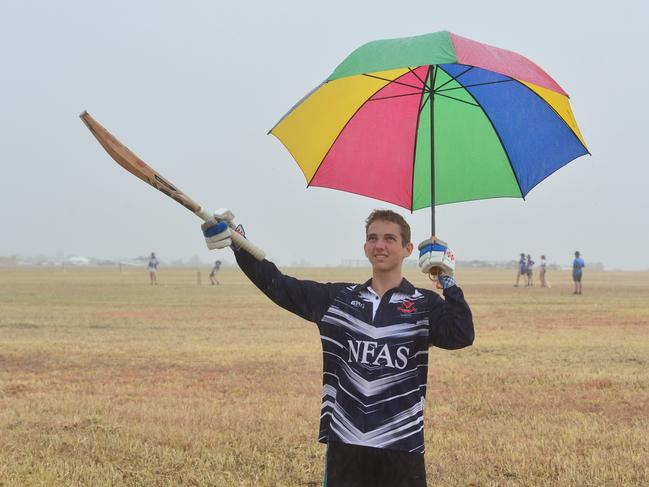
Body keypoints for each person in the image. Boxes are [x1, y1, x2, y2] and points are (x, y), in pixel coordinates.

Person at [201, 208, 474, 487]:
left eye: (390, 239)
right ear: (365, 246)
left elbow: (461, 335)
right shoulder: (338, 300)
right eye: (373, 238)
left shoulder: (423, 304)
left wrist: (447, 280)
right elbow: (280, 286)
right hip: (346, 441)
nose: (380, 245)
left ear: (407, 249)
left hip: (402, 444)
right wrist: (239, 244)